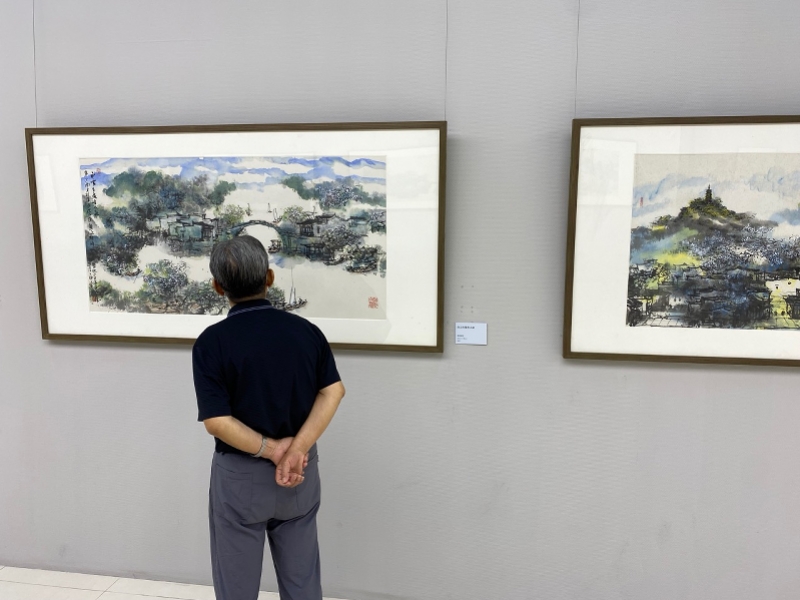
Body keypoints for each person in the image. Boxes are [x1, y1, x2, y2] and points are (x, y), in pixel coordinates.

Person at [192, 235, 345, 600]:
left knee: (237, 587)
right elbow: (333, 391)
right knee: (303, 581)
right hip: (299, 470)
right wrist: (296, 449)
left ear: (217, 287)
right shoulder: (306, 333)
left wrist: (273, 450)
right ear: (270, 278)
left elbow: (217, 421)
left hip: (241, 477)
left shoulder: (212, 342)